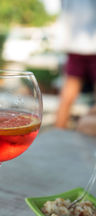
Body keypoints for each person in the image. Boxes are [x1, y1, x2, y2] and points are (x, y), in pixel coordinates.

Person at [55, 0, 96, 129]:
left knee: (68, 94)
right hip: (83, 44)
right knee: (68, 95)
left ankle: (58, 132)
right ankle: (59, 131)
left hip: (74, 44)